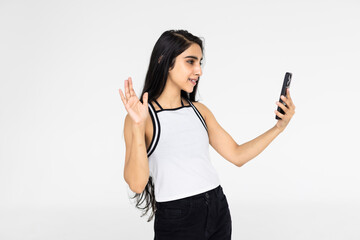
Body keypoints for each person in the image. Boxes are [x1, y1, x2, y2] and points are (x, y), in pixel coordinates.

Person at [118, 29, 295, 240]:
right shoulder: (142, 116)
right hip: (177, 216)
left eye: (200, 62)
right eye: (190, 61)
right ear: (165, 61)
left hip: (217, 207)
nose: (198, 70)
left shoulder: (199, 111)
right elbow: (136, 184)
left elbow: (237, 155)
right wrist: (138, 126)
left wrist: (278, 128)